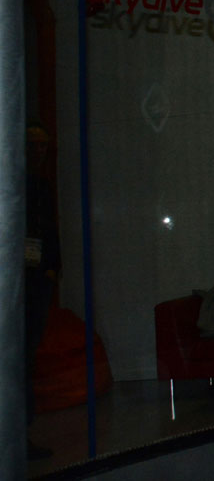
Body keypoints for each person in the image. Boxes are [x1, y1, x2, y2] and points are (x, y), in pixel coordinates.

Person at [25, 122, 60, 461]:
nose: (38, 152)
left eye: (42, 146)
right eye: (33, 145)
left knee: (26, 356)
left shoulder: (42, 186)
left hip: (37, 280)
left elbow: (49, 229)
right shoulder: (13, 185)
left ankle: (21, 431)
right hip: (17, 283)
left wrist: (52, 268)